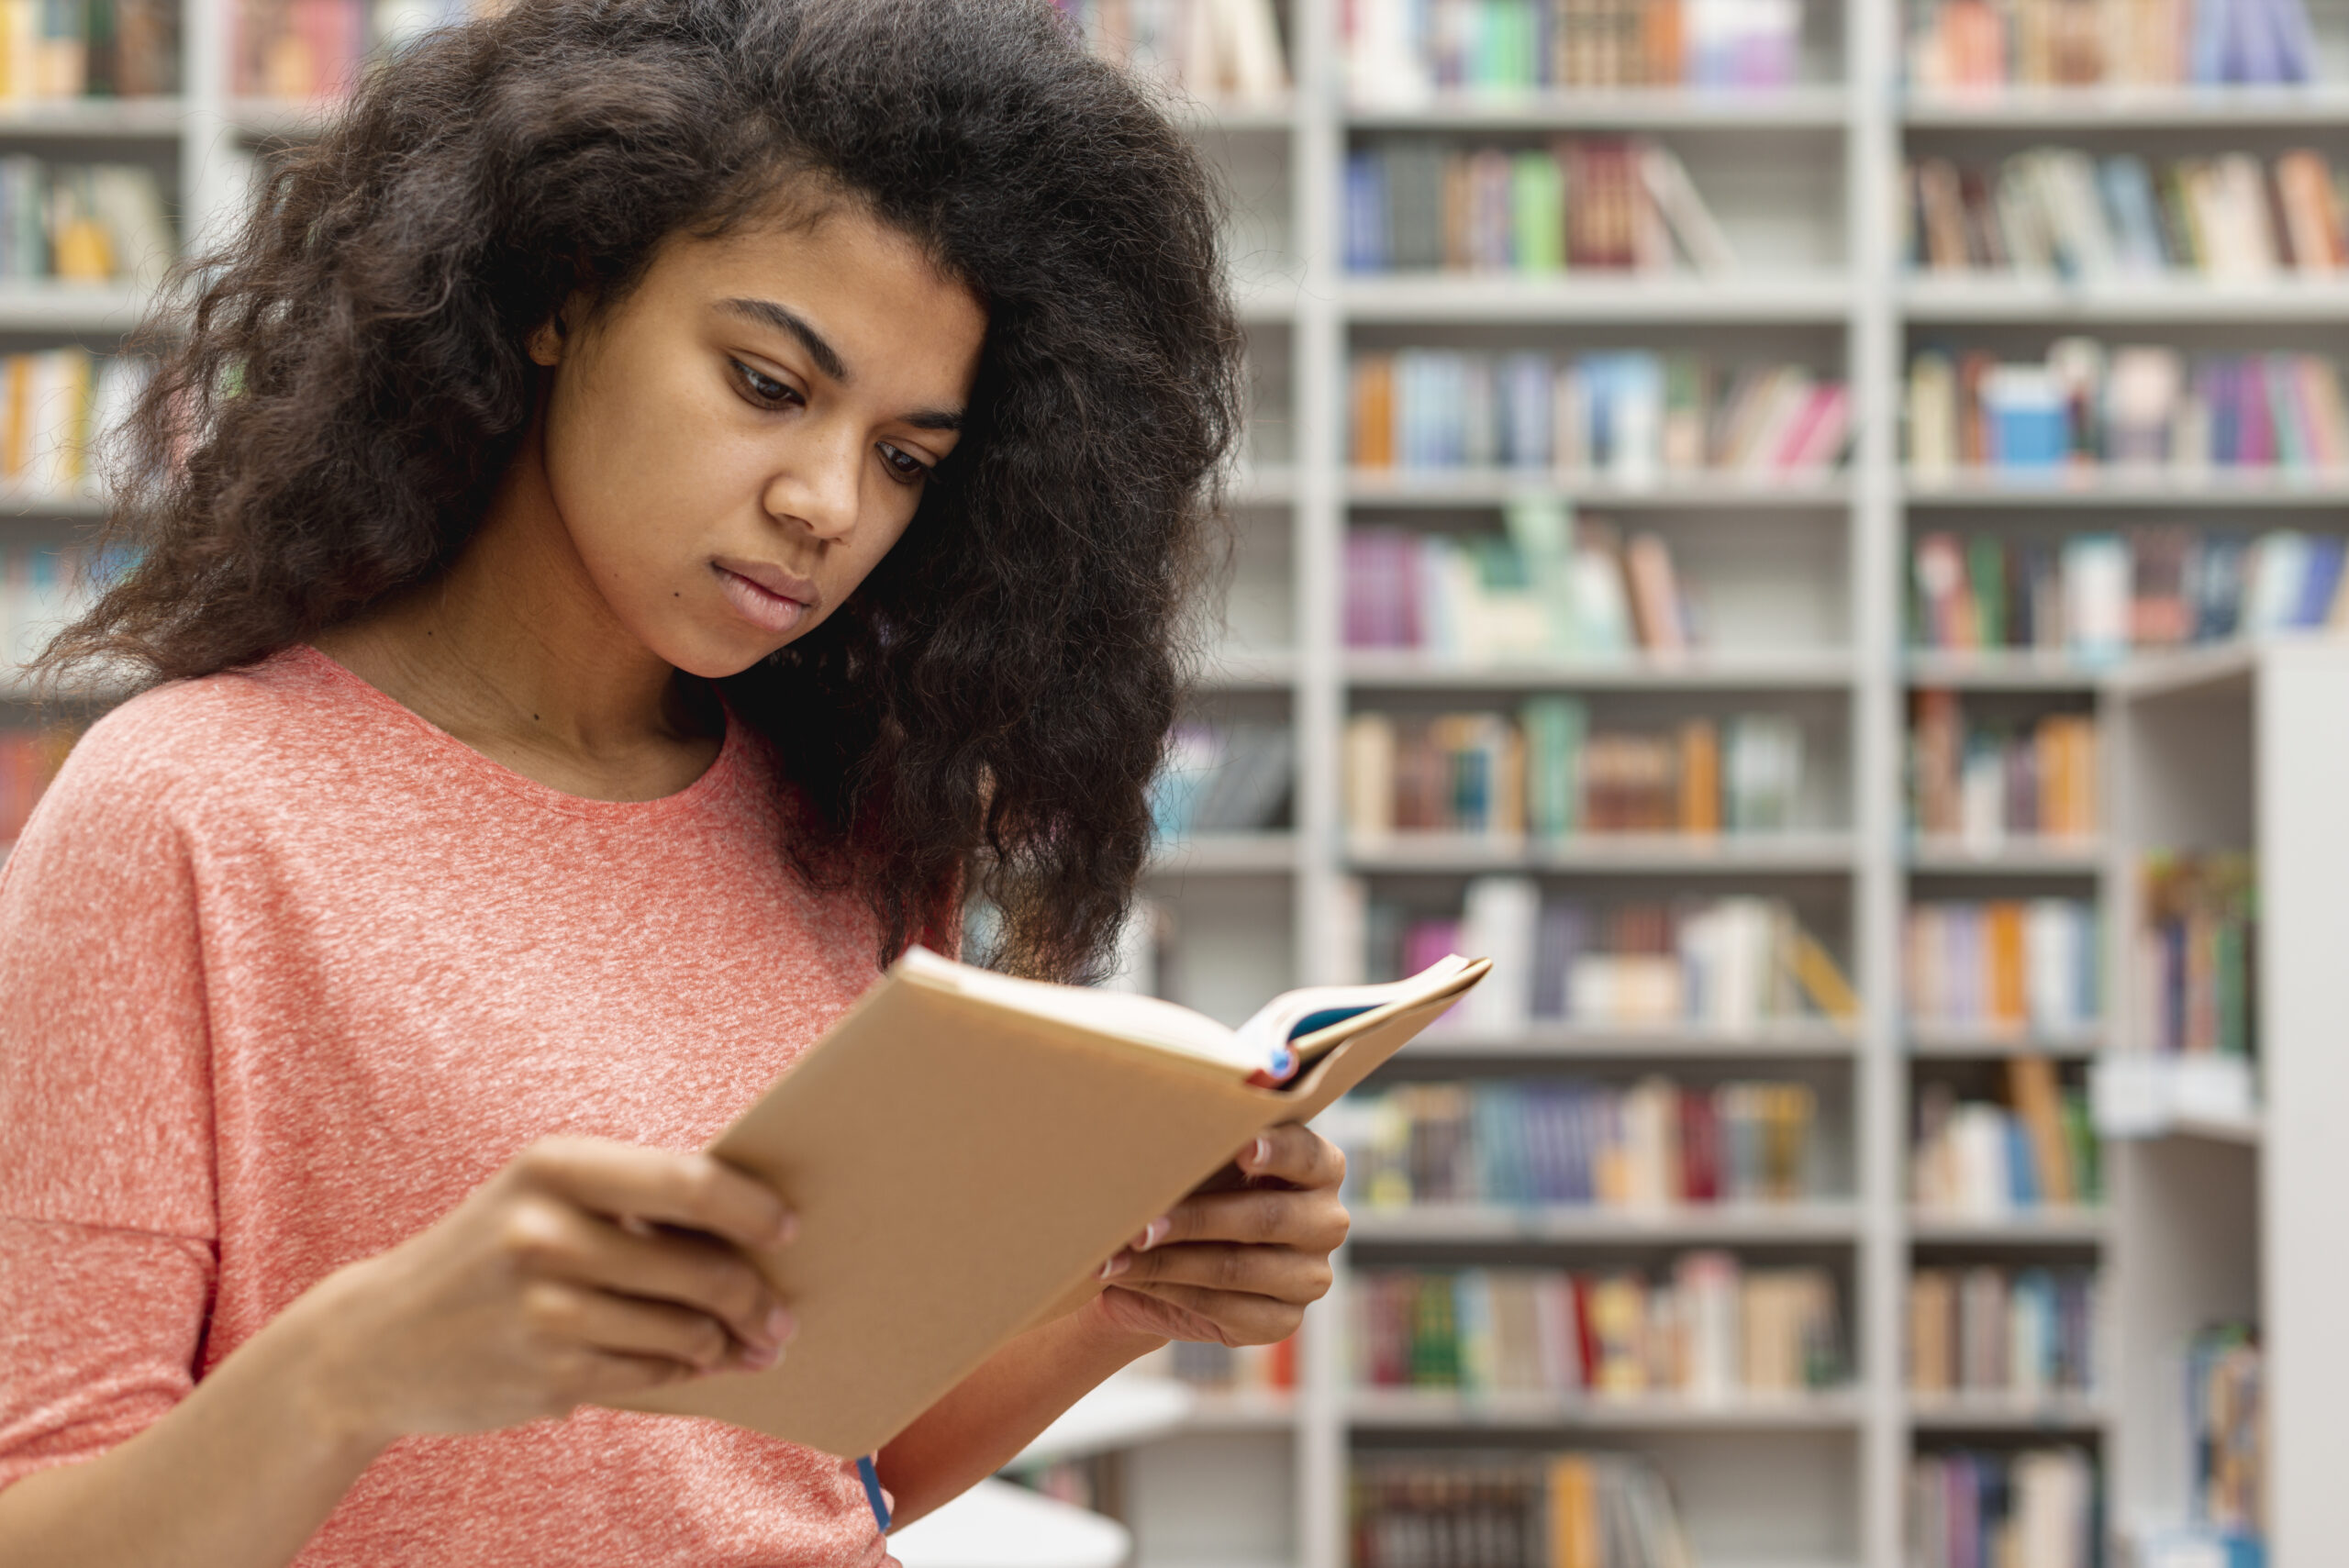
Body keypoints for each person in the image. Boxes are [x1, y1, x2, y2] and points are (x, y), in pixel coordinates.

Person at [0, 1, 1349, 1562]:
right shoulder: (188, 811)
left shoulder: (843, 830)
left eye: (907, 457)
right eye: (769, 384)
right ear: (564, 295)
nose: (827, 502)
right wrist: (357, 1370)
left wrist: (1123, 1295)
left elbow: (814, 1462)